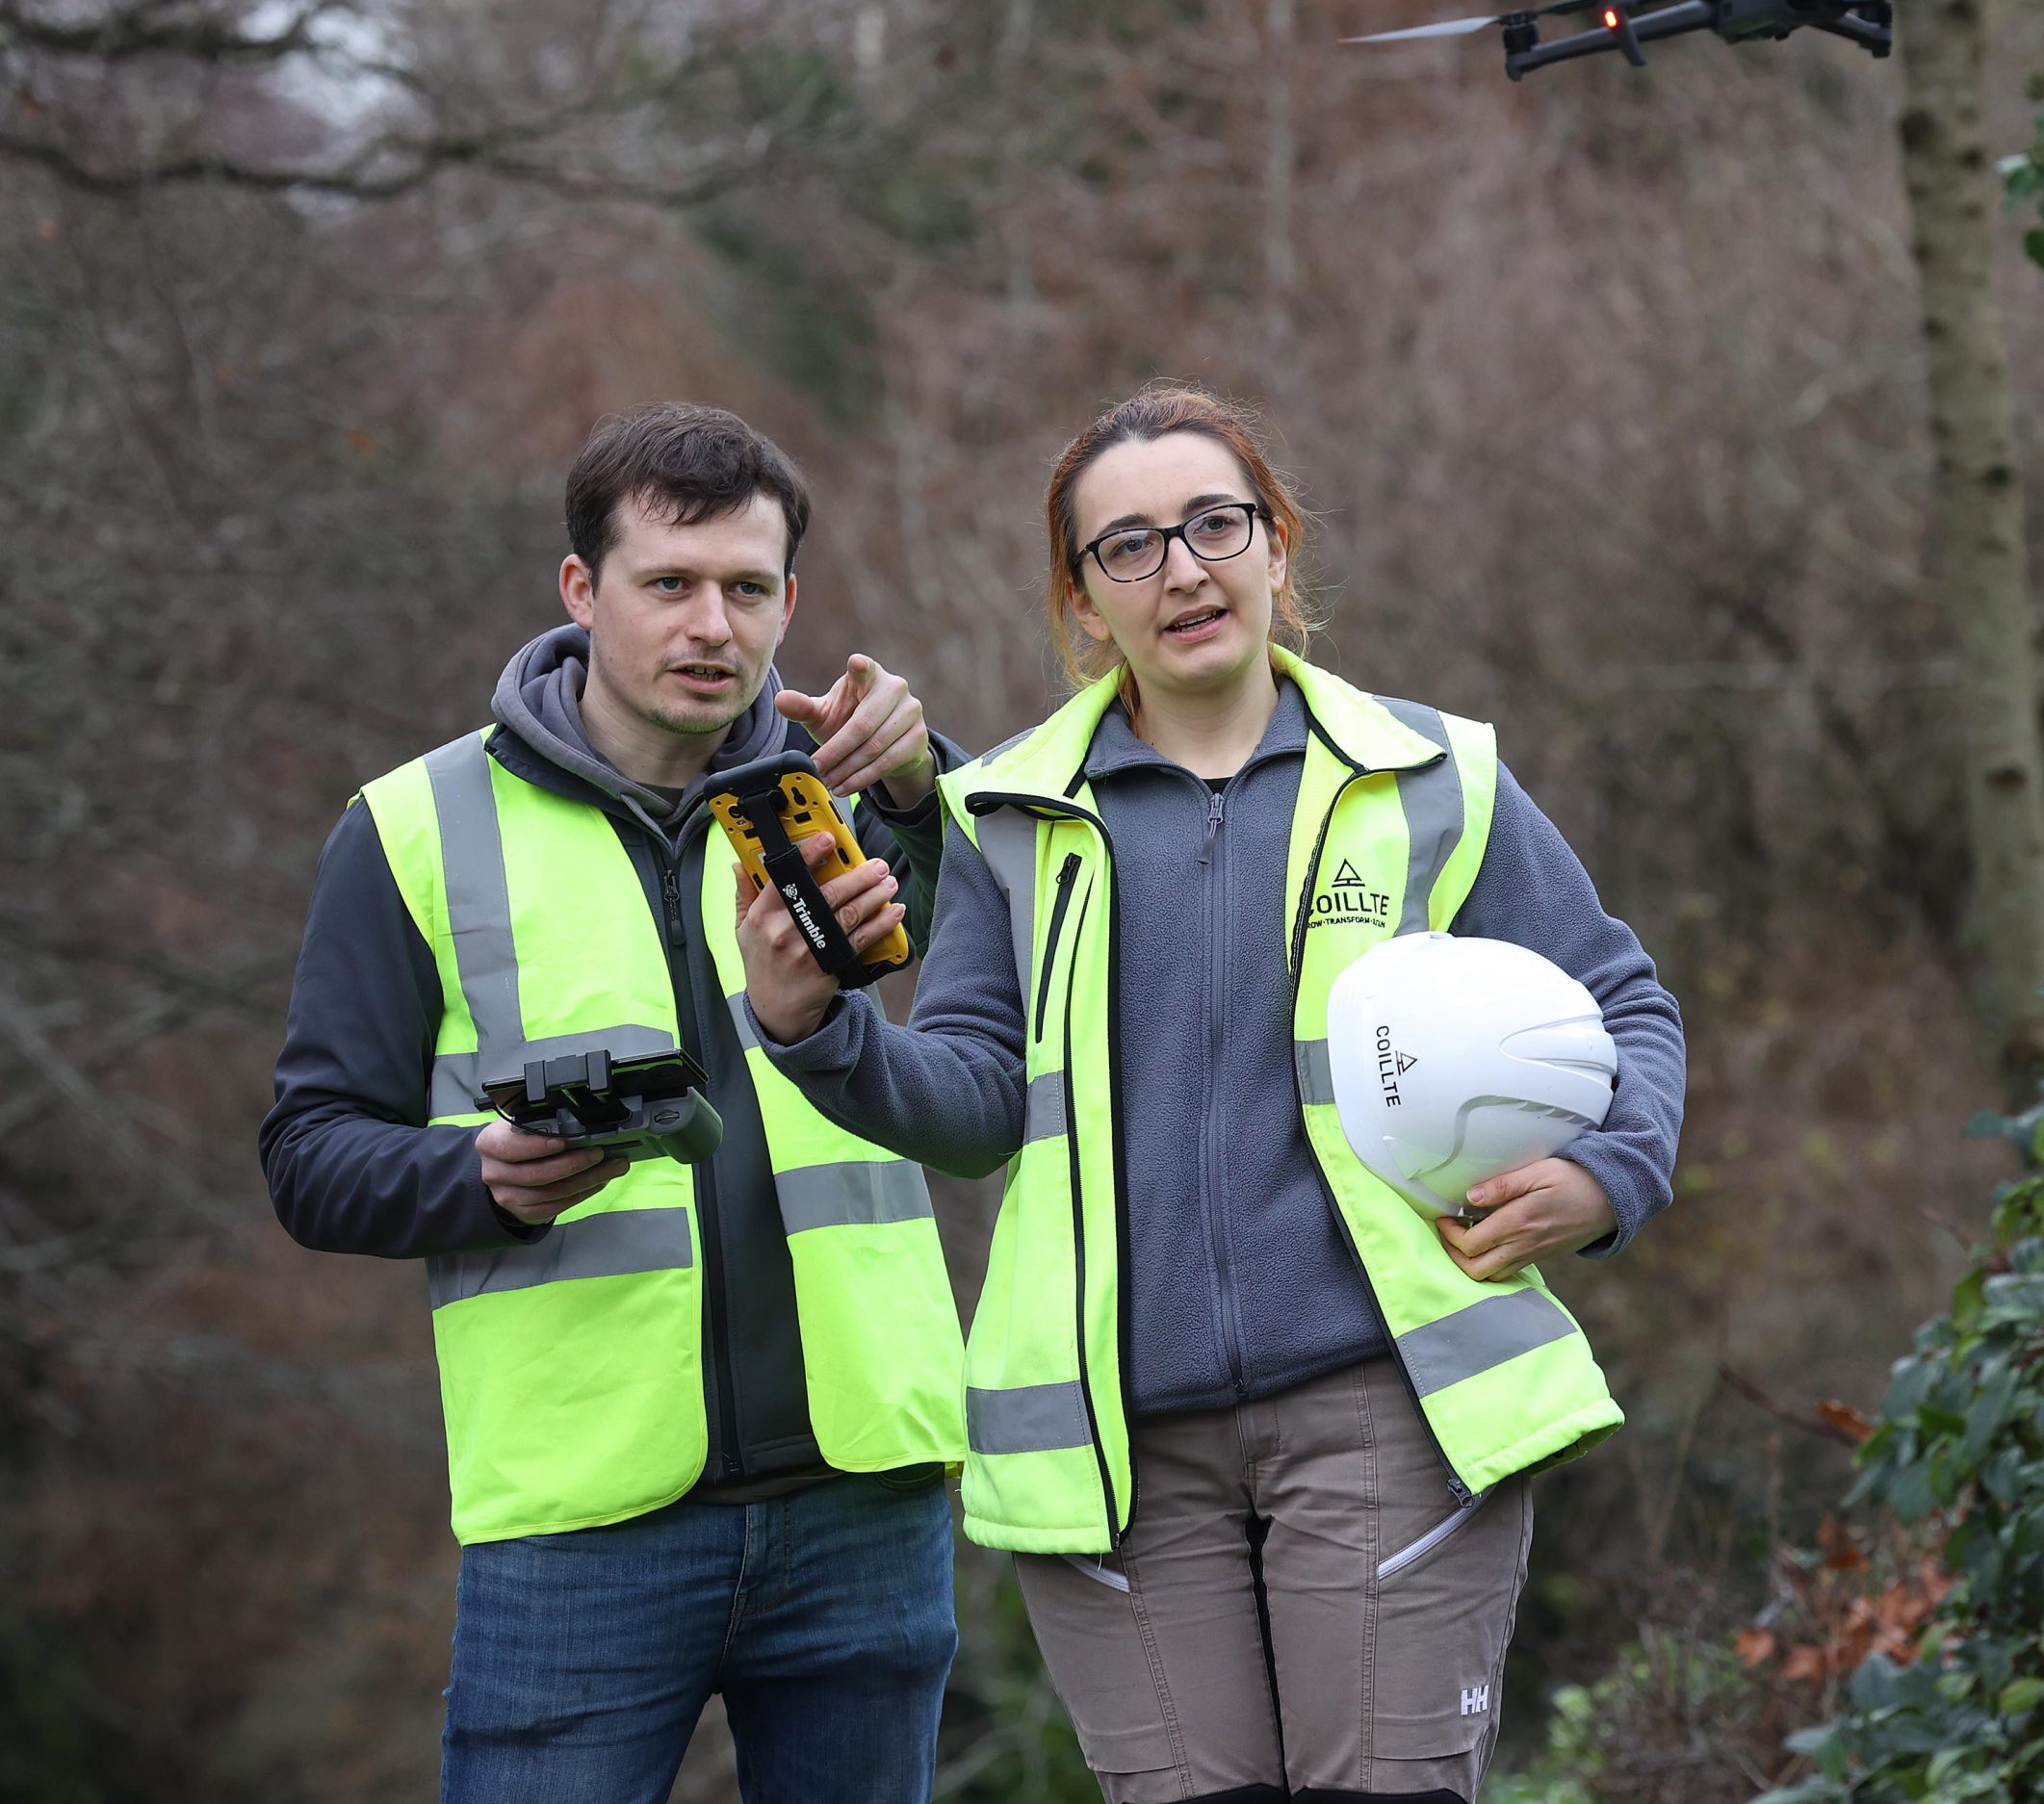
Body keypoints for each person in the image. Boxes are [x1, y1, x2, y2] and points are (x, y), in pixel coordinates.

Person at [739, 385, 1686, 1804]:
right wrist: (814, 1030)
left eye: (1213, 525)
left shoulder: (1434, 776)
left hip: (1389, 1406)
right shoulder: (1006, 815)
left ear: (1277, 548)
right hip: (1118, 1455)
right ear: (1083, 602)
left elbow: (1628, 1002)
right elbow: (980, 1099)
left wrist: (1611, 1172)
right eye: (1128, 547)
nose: (1181, 568)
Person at [260, 402, 970, 1804]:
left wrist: (928, 794)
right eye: (670, 584)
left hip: (867, 1496)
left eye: (749, 589)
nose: (713, 624)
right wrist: (478, 1178)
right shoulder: (412, 827)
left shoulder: (859, 798)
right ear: (583, 591)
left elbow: (993, 1047)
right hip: (581, 1524)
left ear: (788, 600)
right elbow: (307, 1151)